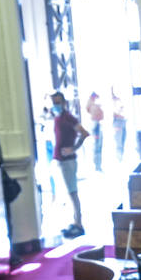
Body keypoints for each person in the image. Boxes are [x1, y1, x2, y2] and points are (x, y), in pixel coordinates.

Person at [51, 91, 89, 238]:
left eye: (58, 102)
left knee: (73, 193)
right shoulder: (57, 118)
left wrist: (73, 148)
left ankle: (79, 223)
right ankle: (74, 222)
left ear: (64, 103)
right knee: (67, 193)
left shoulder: (68, 118)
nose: (56, 105)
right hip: (59, 160)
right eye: (54, 102)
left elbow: (84, 133)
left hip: (68, 161)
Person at [85, 91, 104, 172]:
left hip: (98, 124)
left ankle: (98, 165)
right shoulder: (91, 104)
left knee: (98, 146)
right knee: (96, 146)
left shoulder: (95, 104)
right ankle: (97, 166)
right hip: (95, 125)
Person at [109, 89, 127, 163]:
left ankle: (121, 157)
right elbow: (114, 113)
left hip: (123, 121)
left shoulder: (119, 100)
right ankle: (119, 159)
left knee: (123, 140)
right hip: (117, 121)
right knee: (119, 141)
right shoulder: (112, 102)